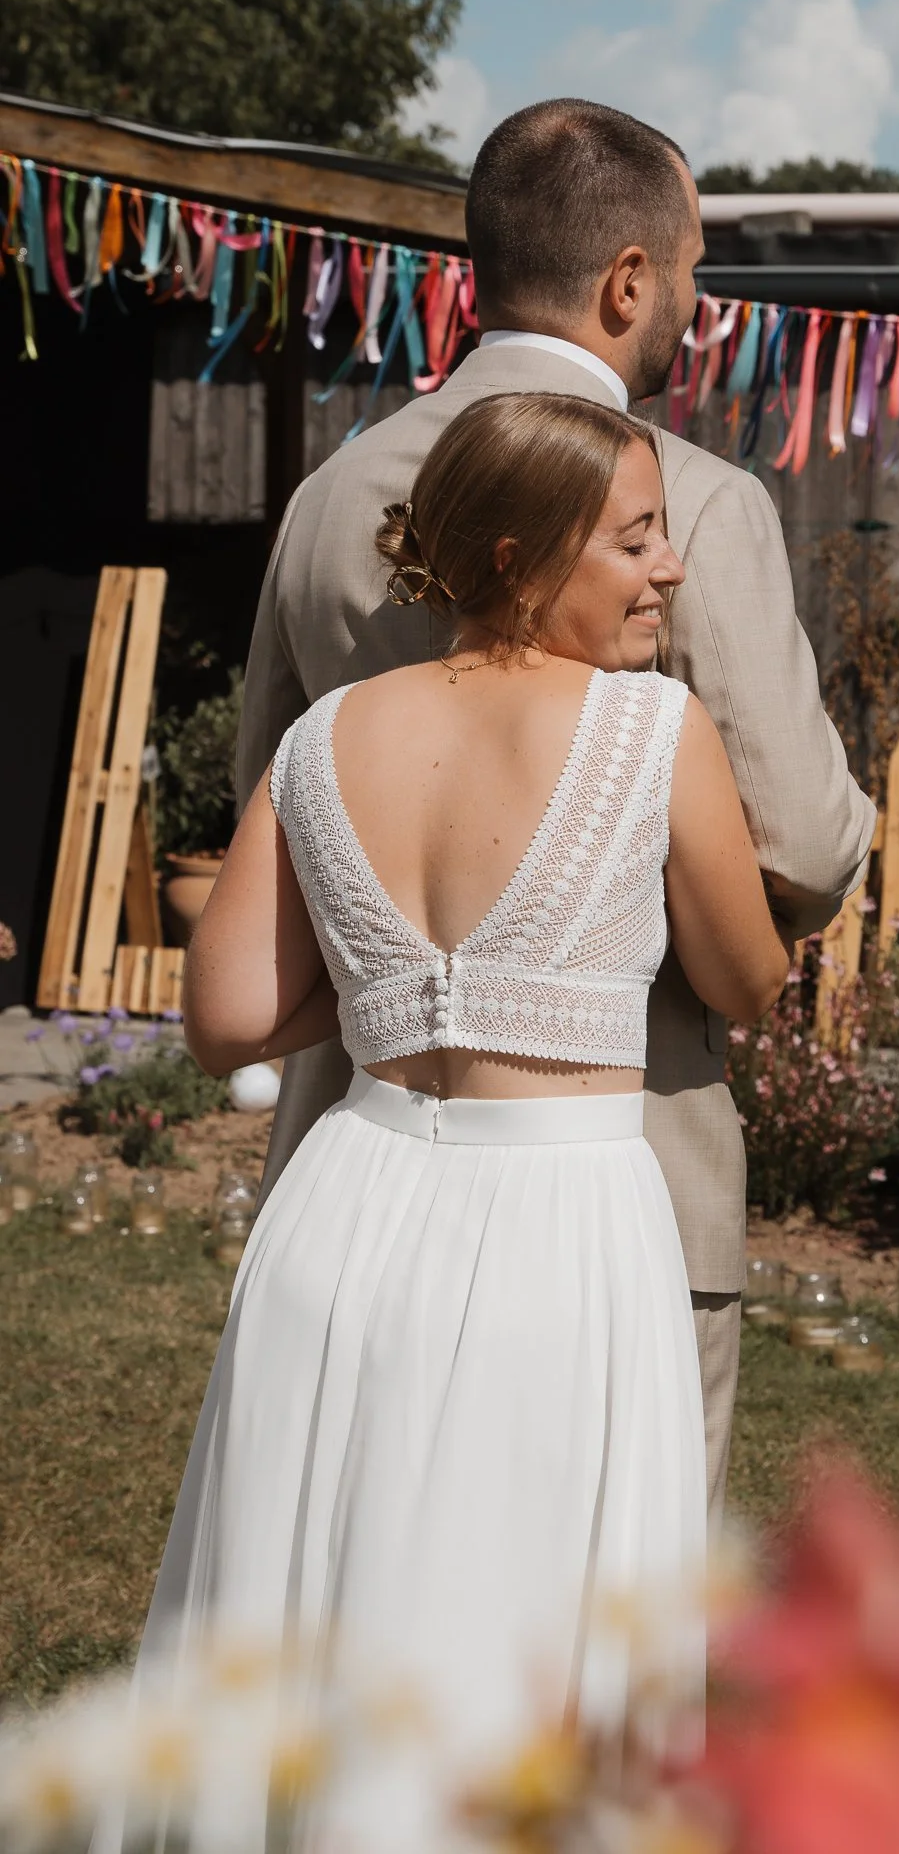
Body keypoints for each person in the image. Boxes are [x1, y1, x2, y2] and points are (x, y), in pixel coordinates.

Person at [116, 394, 790, 1843]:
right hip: (560, 1232)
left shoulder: (326, 736)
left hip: (346, 1209)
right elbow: (749, 978)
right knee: (526, 1636)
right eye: (637, 536)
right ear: (519, 553)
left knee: (322, 1612)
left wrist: (394, 997)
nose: (669, 566)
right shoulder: (651, 729)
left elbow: (226, 1018)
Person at [237, 98, 877, 1530]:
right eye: (695, 276)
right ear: (631, 281)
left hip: (357, 1157)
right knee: (596, 1626)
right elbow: (802, 835)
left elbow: (264, 802)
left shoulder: (330, 496)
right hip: (617, 1180)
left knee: (358, 1596)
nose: (695, 311)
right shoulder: (688, 504)